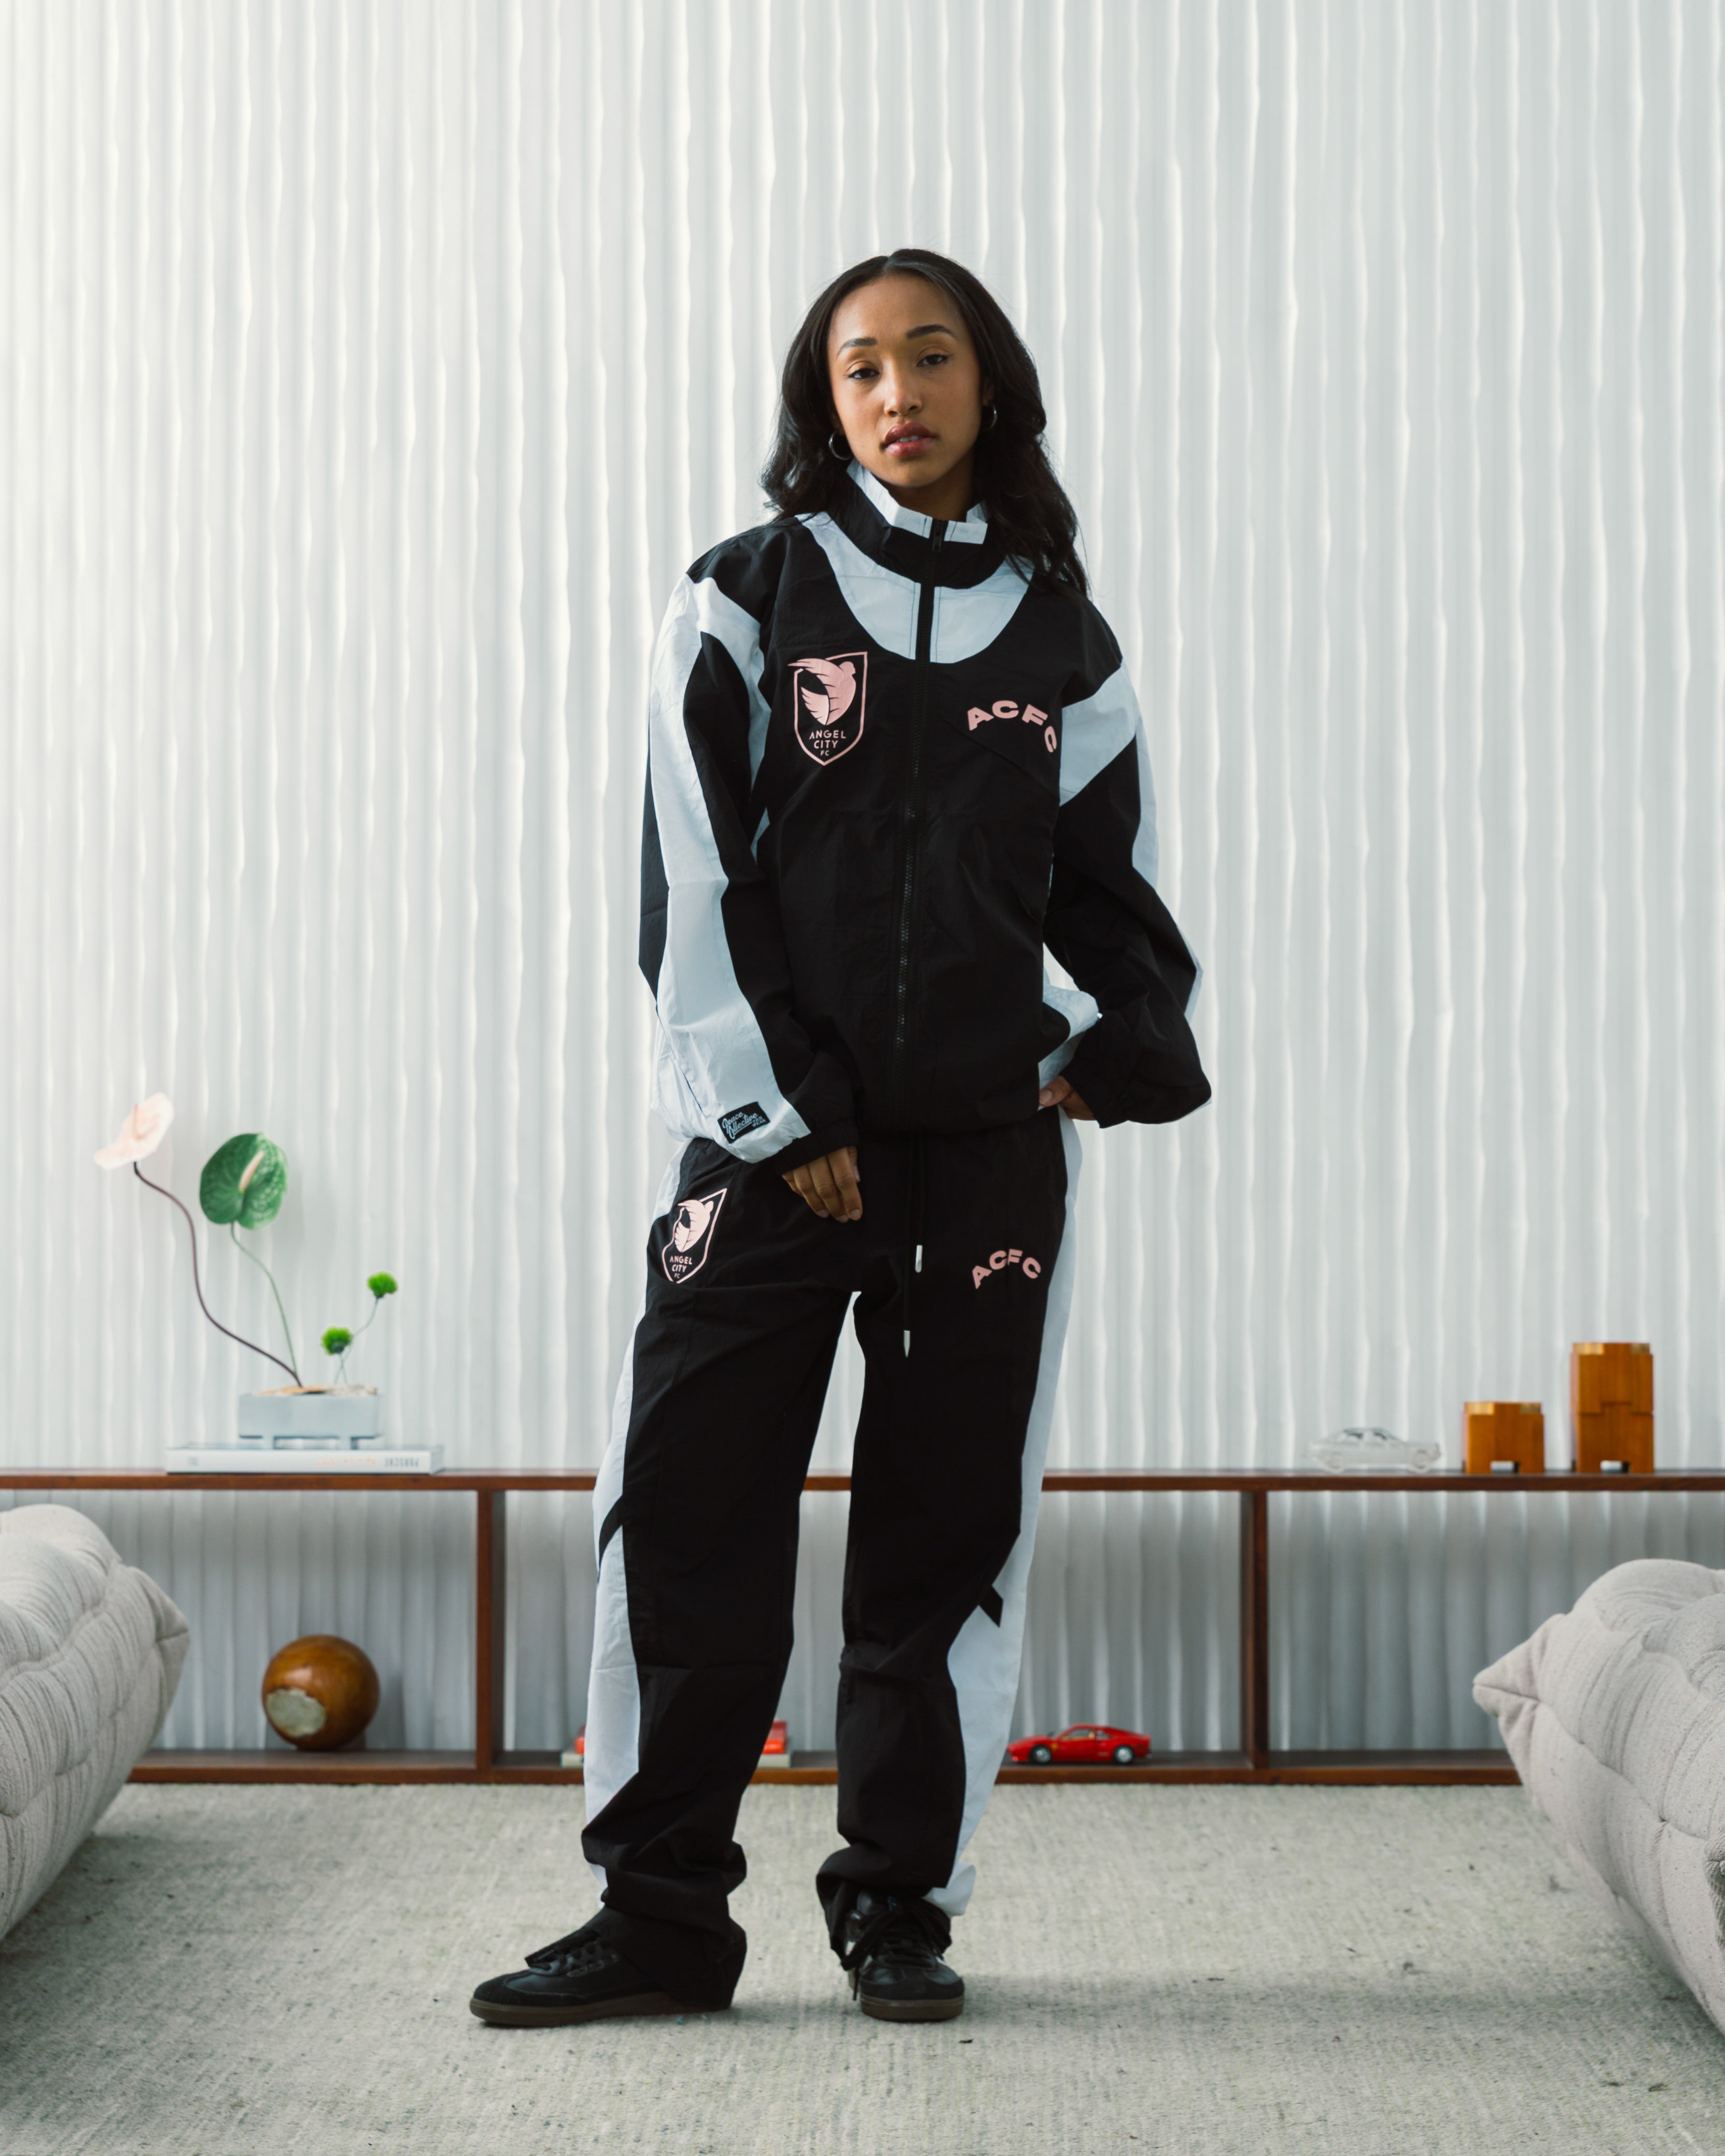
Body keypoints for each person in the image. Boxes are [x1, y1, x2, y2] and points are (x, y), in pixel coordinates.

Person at [470, 246, 1211, 2031]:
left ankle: (898, 1905)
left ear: (988, 383)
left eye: (928, 357)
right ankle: (659, 1917)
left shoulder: (1064, 637)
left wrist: (1118, 1050)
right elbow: (694, 877)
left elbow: (1113, 895)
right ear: (827, 403)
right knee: (688, 1516)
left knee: (945, 1545)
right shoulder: (746, 599)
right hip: (767, 1157)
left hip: (984, 1162)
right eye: (860, 368)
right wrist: (780, 1113)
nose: (897, 393)